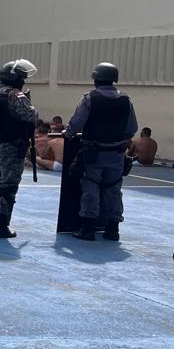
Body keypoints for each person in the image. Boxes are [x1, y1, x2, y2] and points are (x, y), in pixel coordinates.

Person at [66, 63, 137, 242]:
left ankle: (87, 229)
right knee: (114, 190)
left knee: (91, 188)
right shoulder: (126, 100)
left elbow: (76, 123)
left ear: (96, 78)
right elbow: (132, 128)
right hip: (117, 154)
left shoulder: (89, 98)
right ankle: (113, 229)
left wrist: (69, 133)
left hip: (94, 153)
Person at [0, 59, 38, 238]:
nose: (23, 80)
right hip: (11, 146)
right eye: (22, 77)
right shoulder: (15, 95)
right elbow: (31, 116)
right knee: (8, 186)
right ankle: (2, 226)